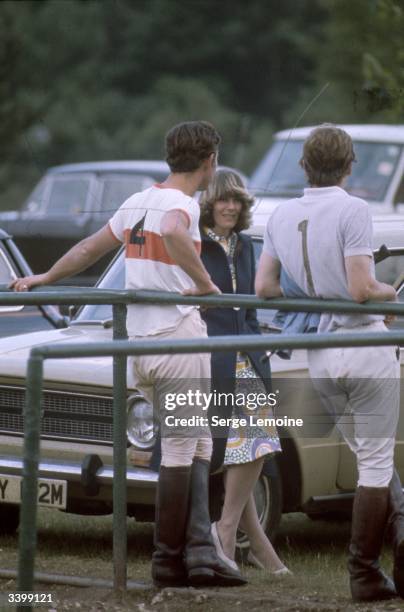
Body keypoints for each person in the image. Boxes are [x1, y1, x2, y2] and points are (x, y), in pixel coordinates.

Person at [11, 121, 246, 589]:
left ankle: (198, 556)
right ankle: (167, 559)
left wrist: (45, 277)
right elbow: (177, 233)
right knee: (183, 447)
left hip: (141, 342)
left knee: (196, 442)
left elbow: (87, 248)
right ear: (209, 161)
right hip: (177, 337)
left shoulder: (138, 200)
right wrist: (204, 284)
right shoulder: (180, 205)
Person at [255, 123, 404, 602]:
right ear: (349, 165)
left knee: (367, 456)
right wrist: (390, 292)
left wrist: (317, 288)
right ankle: (363, 572)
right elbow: (362, 288)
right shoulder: (353, 208)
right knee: (376, 464)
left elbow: (266, 289)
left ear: (304, 165)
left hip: (321, 350)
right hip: (363, 344)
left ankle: (394, 544)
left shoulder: (280, 214)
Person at [198, 169, 289, 574]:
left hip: (247, 356)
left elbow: (250, 309)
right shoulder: (196, 244)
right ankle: (238, 537)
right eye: (223, 199)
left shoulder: (247, 244)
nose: (231, 207)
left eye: (237, 200)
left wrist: (256, 352)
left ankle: (233, 535)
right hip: (211, 358)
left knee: (254, 443)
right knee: (246, 447)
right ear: (209, 203)